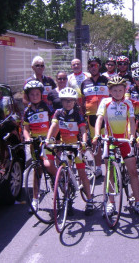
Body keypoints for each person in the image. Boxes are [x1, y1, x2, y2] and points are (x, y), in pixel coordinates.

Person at [92, 76, 139, 215]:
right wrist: (97, 134)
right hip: (109, 140)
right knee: (109, 172)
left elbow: (132, 121)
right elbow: (99, 119)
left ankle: (138, 201)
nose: (117, 93)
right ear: (109, 91)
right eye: (114, 90)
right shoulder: (105, 102)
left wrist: (132, 136)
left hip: (124, 140)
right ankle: (111, 202)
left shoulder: (128, 103)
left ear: (125, 90)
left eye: (120, 90)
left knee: (133, 172)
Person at [45, 87, 95, 216]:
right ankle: (67, 197)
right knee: (63, 174)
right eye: (65, 101)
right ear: (61, 102)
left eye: (71, 101)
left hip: (76, 146)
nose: (68, 103)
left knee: (82, 173)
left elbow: (83, 131)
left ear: (74, 102)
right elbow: (54, 126)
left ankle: (89, 200)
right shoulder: (58, 113)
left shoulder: (77, 114)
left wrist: (83, 142)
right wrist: (48, 139)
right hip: (63, 145)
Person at [22, 80, 56, 213]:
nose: (35, 96)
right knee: (37, 172)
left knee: (49, 165)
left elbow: (54, 124)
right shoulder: (27, 111)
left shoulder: (48, 107)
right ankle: (35, 200)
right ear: (28, 96)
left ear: (41, 95)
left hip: (47, 141)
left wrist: (51, 137)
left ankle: (60, 184)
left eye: (37, 94)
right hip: (35, 142)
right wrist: (27, 138)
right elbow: (25, 128)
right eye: (32, 94)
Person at [80, 56, 110, 178]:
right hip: (91, 116)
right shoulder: (84, 83)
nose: (93, 67)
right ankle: (98, 168)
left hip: (106, 115)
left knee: (108, 142)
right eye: (91, 65)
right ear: (88, 67)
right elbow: (82, 101)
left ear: (99, 66)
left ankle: (109, 168)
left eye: (96, 65)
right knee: (95, 143)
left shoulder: (107, 80)